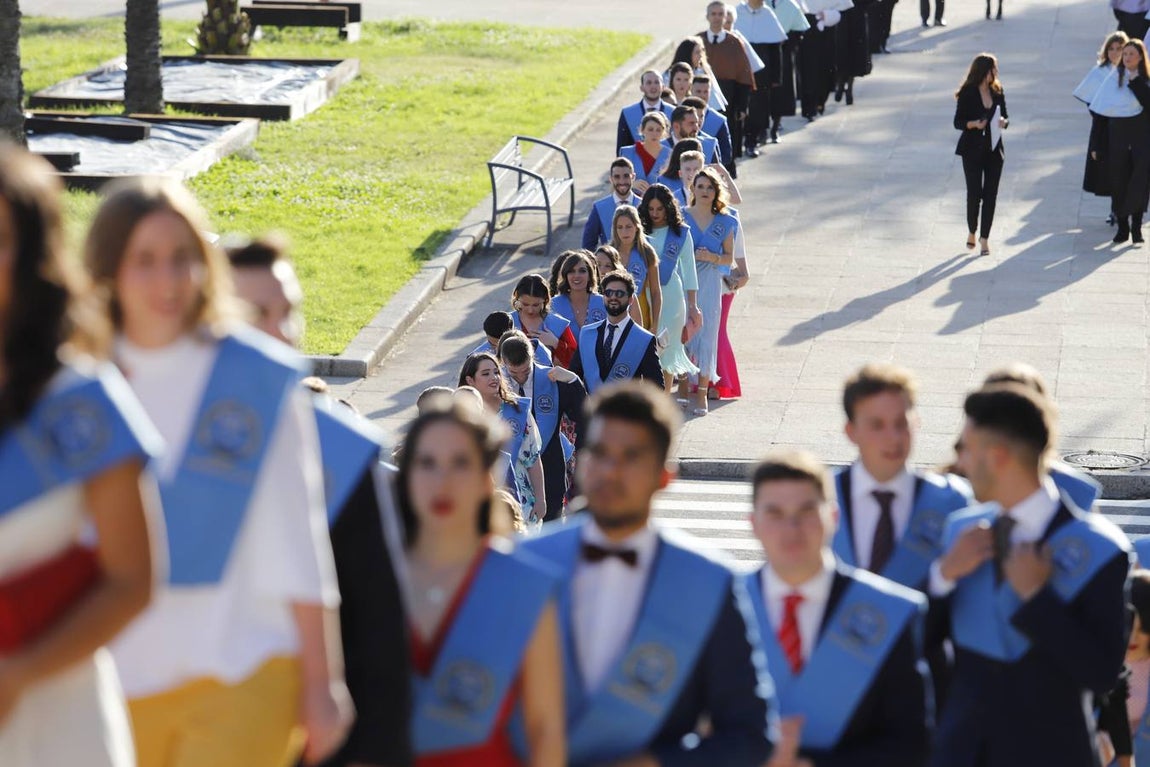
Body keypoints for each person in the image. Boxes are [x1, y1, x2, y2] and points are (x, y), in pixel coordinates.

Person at [85, 177, 351, 767]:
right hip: (113, 685)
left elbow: (300, 539)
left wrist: (322, 680)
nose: (168, 279)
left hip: (245, 674)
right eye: (144, 260)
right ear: (108, 270)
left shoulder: (257, 377)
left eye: (182, 257)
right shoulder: (77, 382)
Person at [226, 236, 414, 767]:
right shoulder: (169, 442)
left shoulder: (342, 452)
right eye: (257, 314)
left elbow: (380, 627)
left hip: (317, 736)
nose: (280, 331)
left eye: (288, 312)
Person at [0, 146, 159, 767]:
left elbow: (133, 581)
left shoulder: (81, 402)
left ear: (33, 256)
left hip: (58, 725)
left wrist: (21, 673)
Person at [519, 382, 774, 766]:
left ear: (664, 478)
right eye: (599, 453)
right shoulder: (522, 563)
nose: (610, 471)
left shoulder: (708, 583)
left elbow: (750, 735)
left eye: (631, 457)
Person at [928, 384, 1131, 767]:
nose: (960, 462)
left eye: (966, 448)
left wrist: (1038, 600)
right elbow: (919, 644)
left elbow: (1102, 673)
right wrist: (943, 575)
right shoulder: (960, 532)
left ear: (998, 456)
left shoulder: (1101, 549)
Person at [395, 399, 564, 766]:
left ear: (487, 479)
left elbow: (546, 729)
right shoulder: (376, 572)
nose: (442, 482)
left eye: (461, 463)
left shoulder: (524, 585)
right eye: (427, 463)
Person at [745, 451, 931, 767]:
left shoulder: (889, 611)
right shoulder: (722, 605)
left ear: (832, 517)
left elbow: (911, 744)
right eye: (775, 513)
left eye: (806, 511)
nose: (791, 528)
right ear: (753, 523)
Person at [835, 364, 971, 708]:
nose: (893, 438)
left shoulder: (952, 503)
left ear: (917, 422)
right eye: (877, 425)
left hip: (926, 692)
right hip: (838, 688)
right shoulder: (819, 501)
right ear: (851, 431)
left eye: (901, 423)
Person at [498, 330, 586, 522]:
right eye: (514, 373)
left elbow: (584, 415)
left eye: (525, 371)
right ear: (503, 363)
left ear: (532, 358)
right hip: (512, 471)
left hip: (550, 468)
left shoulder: (552, 379)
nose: (520, 378)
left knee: (551, 525)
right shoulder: (496, 384)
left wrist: (573, 381)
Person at [458, 352, 546, 524]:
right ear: (470, 380)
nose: (494, 377)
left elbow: (533, 459)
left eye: (496, 372)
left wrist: (541, 498)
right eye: (485, 374)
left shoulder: (517, 410)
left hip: (520, 500)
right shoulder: (462, 415)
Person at [683, 168, 736, 417]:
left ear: (716, 192)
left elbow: (729, 258)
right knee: (682, 334)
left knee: (707, 336)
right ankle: (683, 389)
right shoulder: (681, 217)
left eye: (710, 187)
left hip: (710, 281)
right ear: (693, 189)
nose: (705, 191)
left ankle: (702, 394)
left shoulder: (725, 221)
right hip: (684, 280)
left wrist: (712, 257)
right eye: (700, 186)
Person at [638, 184, 701, 393]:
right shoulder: (639, 230)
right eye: (651, 209)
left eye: (660, 209)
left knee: (667, 351)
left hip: (672, 298)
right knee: (645, 351)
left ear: (669, 207)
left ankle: (663, 401)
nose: (655, 214)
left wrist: (693, 305)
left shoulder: (680, 233)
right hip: (643, 297)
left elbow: (689, 270)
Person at [1090, 40, 1150, 245]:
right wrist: (1096, 145)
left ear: (1140, 57)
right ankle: (1123, 227)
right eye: (1125, 54)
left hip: (1141, 140)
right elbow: (1100, 114)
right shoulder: (1112, 80)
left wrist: (1136, 81)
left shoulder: (1145, 80)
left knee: (1139, 183)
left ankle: (1136, 228)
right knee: (1119, 183)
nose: (1127, 57)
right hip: (1117, 140)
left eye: (1132, 54)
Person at [569, 272, 664, 393]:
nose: (613, 297)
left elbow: (656, 388)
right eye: (608, 293)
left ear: (631, 299)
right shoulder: (587, 333)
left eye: (619, 293)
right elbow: (574, 376)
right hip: (591, 404)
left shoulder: (644, 339)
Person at [954, 53, 1009, 257]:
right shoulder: (968, 92)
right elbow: (958, 122)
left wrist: (1003, 122)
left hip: (994, 149)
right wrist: (974, 124)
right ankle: (972, 230)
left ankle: (984, 238)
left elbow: (1006, 117)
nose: (996, 72)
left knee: (991, 195)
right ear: (984, 71)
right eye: (993, 69)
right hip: (972, 150)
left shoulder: (997, 91)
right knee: (974, 193)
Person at [1077, 32, 1130, 228]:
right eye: (1111, 49)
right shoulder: (1099, 72)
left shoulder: (1132, 71)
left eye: (1119, 48)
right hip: (1105, 128)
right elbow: (1091, 101)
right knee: (1112, 171)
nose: (1115, 53)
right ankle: (1116, 209)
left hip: (1128, 127)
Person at [701, 0, 757, 165]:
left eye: (721, 14)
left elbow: (743, 75)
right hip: (702, 93)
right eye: (713, 14)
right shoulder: (699, 40)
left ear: (726, 17)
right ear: (707, 16)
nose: (717, 18)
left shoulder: (734, 42)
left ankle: (728, 166)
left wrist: (743, 105)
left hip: (728, 96)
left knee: (727, 131)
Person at [735, 0, 787, 150]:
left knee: (758, 106)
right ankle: (741, 139)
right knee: (741, 103)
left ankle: (752, 140)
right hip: (741, 65)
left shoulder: (768, 13)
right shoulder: (738, 11)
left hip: (763, 69)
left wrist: (776, 77)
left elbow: (776, 48)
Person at [609, 205, 662, 332]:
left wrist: (655, 324)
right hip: (612, 314)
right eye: (620, 227)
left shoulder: (647, 253)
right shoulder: (609, 253)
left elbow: (656, 292)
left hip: (641, 314)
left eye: (628, 226)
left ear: (637, 227)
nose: (624, 232)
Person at [510, 274, 576, 369]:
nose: (530, 310)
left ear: (545, 300)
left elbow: (575, 361)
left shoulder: (558, 324)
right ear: (516, 297)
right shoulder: (508, 321)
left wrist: (555, 343)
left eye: (536, 305)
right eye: (525, 304)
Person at [581, 158, 643, 251]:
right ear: (611, 179)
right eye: (617, 177)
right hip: (610, 259)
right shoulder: (599, 208)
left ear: (633, 177)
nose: (622, 181)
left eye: (626, 176)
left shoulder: (643, 205)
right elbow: (588, 245)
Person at [617, 70, 676, 155]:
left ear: (663, 87)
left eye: (656, 82)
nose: (653, 86)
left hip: (665, 160)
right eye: (649, 83)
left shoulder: (673, 112)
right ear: (641, 87)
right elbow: (622, 148)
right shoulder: (627, 113)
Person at [551, 250, 607, 333]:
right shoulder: (553, 305)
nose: (577, 275)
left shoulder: (604, 302)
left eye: (582, 271)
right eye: (571, 271)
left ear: (590, 275)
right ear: (566, 276)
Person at [620, 113, 674, 195]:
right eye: (650, 129)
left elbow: (674, 184)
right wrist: (630, 184)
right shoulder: (627, 152)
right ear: (642, 130)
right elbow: (616, 182)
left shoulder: (670, 154)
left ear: (664, 132)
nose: (654, 134)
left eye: (658, 130)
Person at [687, 81, 734, 167]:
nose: (702, 95)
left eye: (705, 91)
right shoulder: (677, 115)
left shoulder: (719, 120)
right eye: (698, 91)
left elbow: (726, 155)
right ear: (690, 90)